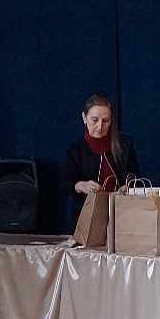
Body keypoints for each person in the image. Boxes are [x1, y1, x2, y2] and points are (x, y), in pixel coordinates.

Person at [65, 92, 139, 222]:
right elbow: (66, 183)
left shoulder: (125, 145)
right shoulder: (75, 150)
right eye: (95, 120)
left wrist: (128, 187)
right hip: (87, 216)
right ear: (84, 118)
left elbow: (135, 176)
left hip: (122, 214)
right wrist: (81, 185)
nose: (100, 127)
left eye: (105, 121)